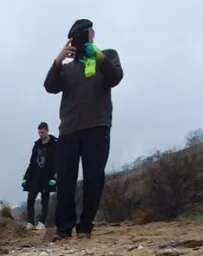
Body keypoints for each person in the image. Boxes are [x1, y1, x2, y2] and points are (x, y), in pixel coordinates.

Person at [44, 18, 123, 240]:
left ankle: (85, 226)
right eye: (78, 36)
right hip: (69, 130)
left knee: (93, 177)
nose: (83, 38)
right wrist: (59, 60)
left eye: (86, 33)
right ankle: (63, 228)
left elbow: (115, 77)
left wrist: (95, 53)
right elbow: (50, 86)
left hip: (97, 126)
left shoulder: (106, 56)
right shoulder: (67, 69)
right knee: (65, 180)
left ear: (93, 35)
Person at [22, 122, 57, 229]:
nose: (40, 134)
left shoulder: (55, 143)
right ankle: (30, 222)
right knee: (30, 198)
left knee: (44, 199)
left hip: (47, 176)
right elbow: (32, 162)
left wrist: (54, 177)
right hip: (35, 176)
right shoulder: (36, 144)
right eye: (39, 132)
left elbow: (58, 161)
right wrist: (26, 177)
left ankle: (42, 222)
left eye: (42, 132)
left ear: (47, 130)